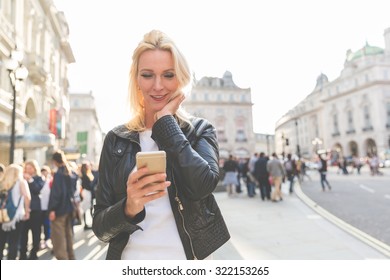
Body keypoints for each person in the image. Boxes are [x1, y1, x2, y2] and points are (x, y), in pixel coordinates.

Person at [92, 29, 230, 260]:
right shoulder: (116, 139)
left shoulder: (199, 131)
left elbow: (203, 185)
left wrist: (165, 123)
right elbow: (100, 228)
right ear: (136, 80)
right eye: (147, 75)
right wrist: (129, 206)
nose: (158, 86)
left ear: (181, 79)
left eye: (168, 75)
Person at [48, 150, 78, 260]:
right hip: (70, 208)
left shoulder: (59, 174)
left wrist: (52, 209)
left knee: (59, 239)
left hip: (59, 210)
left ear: (55, 161)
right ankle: (71, 259)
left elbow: (57, 193)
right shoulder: (71, 173)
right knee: (68, 236)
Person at [0, 164, 31, 260]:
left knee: (1, 242)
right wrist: (27, 211)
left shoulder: (2, 182)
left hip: (2, 216)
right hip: (17, 216)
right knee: (13, 243)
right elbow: (27, 197)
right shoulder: (21, 182)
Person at [19, 159, 45, 260]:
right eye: (26, 168)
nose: (28, 170)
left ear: (34, 169)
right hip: (24, 210)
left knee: (36, 233)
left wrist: (30, 180)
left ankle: (34, 253)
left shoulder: (39, 178)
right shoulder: (21, 178)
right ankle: (22, 254)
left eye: (30, 168)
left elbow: (37, 189)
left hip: (35, 210)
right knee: (23, 233)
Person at [80, 161, 96, 230]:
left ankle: (92, 223)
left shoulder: (88, 174)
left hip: (89, 194)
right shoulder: (85, 176)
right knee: (86, 208)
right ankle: (86, 224)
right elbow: (88, 186)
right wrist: (93, 183)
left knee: (90, 208)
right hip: (87, 193)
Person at [40, 165, 53, 249]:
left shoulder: (50, 181)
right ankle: (43, 240)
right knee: (41, 225)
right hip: (40, 207)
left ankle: (48, 239)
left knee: (47, 224)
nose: (44, 173)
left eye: (46, 171)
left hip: (48, 207)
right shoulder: (39, 181)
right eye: (43, 171)